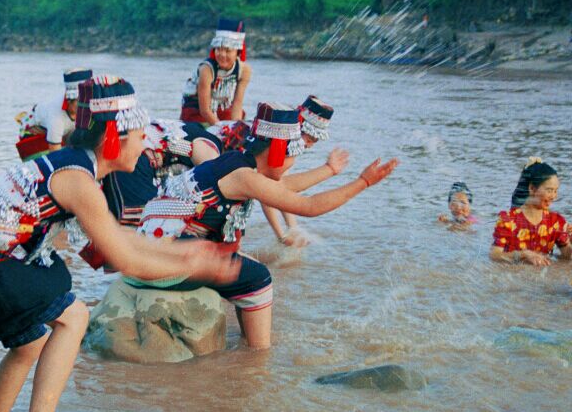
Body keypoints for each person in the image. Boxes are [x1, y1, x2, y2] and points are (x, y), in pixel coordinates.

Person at [0, 76, 239, 412]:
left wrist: (186, 255)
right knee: (73, 314)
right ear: (115, 139)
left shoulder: (76, 167)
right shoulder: (77, 179)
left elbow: (121, 238)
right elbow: (124, 260)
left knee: (31, 341)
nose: (146, 144)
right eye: (141, 135)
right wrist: (198, 267)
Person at [131, 102, 398, 350]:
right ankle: (258, 354)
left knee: (241, 263)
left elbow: (285, 189)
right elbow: (310, 206)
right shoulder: (245, 176)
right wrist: (363, 182)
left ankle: (245, 338)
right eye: (292, 155)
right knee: (259, 277)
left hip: (152, 252)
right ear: (278, 151)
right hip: (163, 261)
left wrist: (329, 170)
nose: (292, 163)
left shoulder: (237, 163)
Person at [262, 95, 334, 247]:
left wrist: (293, 229)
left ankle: (292, 229)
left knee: (278, 184)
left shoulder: (289, 138)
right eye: (310, 139)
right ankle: (282, 237)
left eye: (316, 141)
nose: (310, 145)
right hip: (226, 149)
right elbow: (265, 194)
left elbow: (282, 189)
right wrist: (281, 236)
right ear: (301, 128)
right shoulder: (280, 139)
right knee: (266, 187)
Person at [490, 158, 572, 265]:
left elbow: (570, 259)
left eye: (556, 191)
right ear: (532, 188)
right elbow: (494, 255)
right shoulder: (507, 220)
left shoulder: (555, 222)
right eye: (549, 190)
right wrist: (523, 254)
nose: (554, 196)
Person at [180, 17, 252, 125]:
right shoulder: (207, 70)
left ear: (238, 52)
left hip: (221, 109)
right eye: (218, 49)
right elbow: (205, 110)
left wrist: (234, 128)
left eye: (228, 50)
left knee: (239, 123)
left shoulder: (245, 70)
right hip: (197, 112)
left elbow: (237, 105)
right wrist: (222, 130)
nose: (222, 54)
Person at [14, 68, 92, 161]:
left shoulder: (87, 107)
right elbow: (55, 156)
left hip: (61, 131)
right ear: (69, 100)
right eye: (80, 101)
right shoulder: (57, 118)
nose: (84, 106)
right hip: (33, 134)